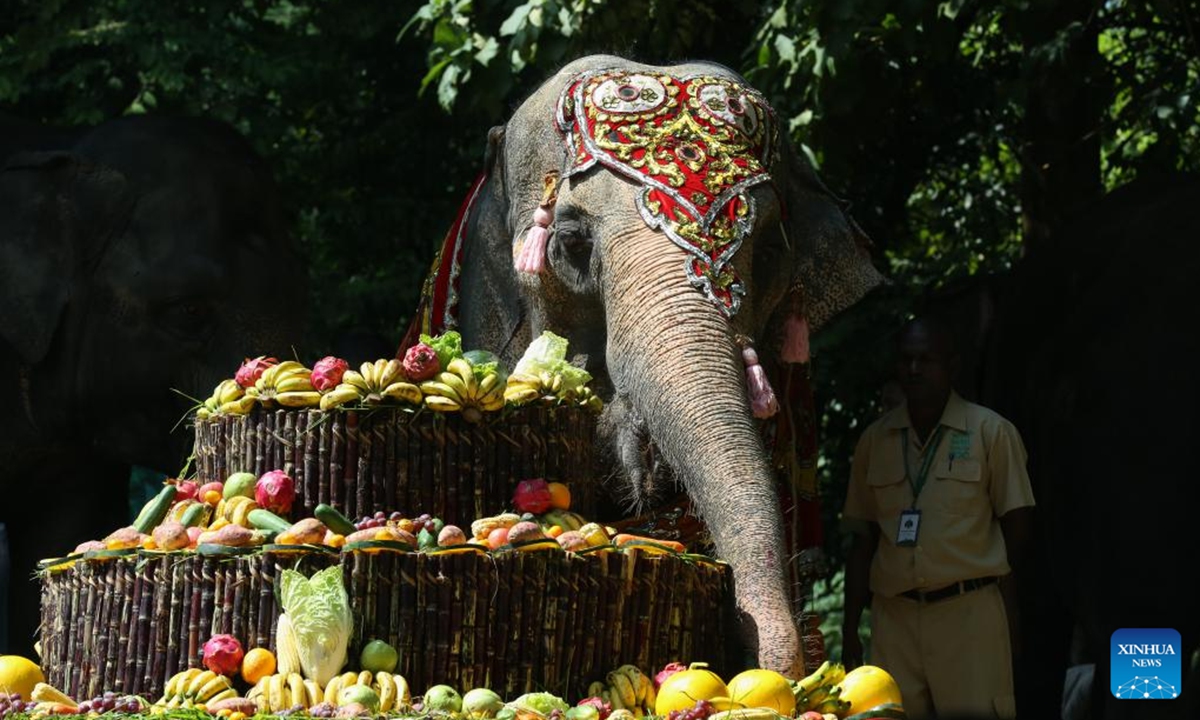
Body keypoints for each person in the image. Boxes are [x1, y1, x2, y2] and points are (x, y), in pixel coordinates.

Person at [840, 314, 1035, 719]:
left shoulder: (991, 433)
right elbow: (862, 541)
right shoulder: (875, 442)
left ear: (953, 366)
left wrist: (992, 585)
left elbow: (1018, 527)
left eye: (926, 359)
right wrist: (849, 631)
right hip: (894, 619)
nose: (914, 369)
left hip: (968, 615)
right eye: (906, 359)